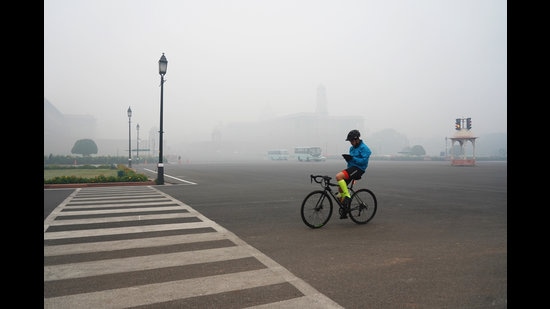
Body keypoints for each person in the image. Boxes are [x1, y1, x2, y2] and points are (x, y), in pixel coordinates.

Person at [336, 129, 372, 219]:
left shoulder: (365, 148)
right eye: (350, 141)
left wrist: (352, 159)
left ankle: (348, 196)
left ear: (357, 139)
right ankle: (345, 210)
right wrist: (348, 159)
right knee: (339, 193)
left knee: (338, 176)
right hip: (351, 169)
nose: (351, 143)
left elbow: (363, 161)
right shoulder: (351, 148)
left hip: (359, 169)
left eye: (351, 141)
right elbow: (351, 162)